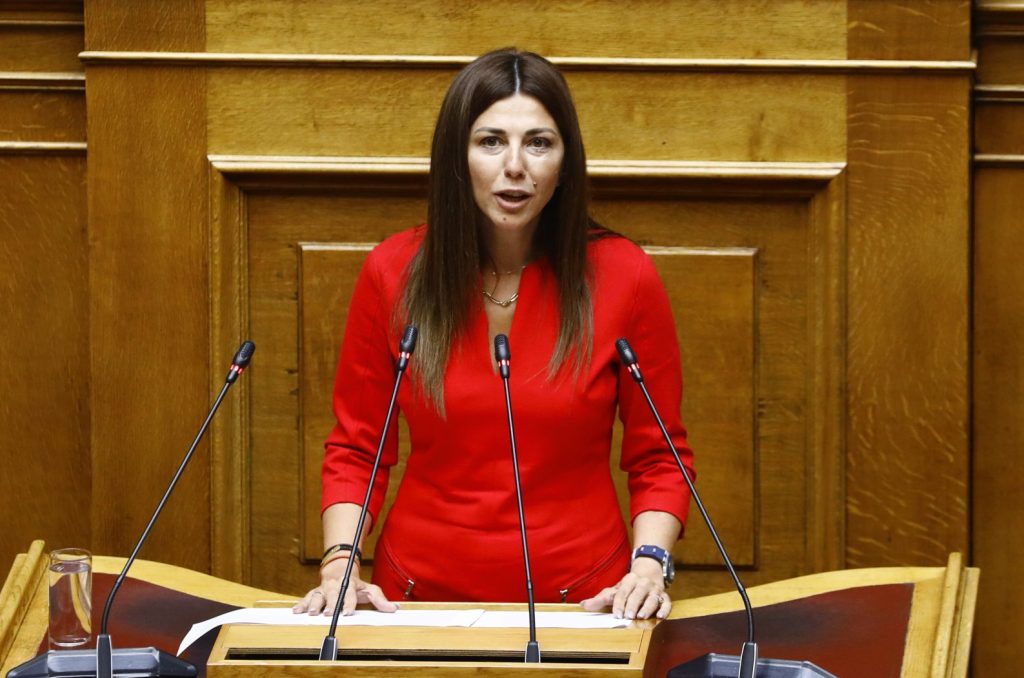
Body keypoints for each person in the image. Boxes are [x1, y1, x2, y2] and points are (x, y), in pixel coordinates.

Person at [293, 48, 695, 622]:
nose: (515, 166)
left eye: (539, 143)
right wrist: (340, 565)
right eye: (490, 142)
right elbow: (358, 449)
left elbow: (659, 457)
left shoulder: (624, 275)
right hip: (415, 602)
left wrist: (649, 565)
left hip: (583, 603)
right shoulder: (393, 272)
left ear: (566, 161)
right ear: (456, 158)